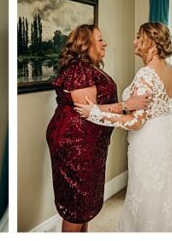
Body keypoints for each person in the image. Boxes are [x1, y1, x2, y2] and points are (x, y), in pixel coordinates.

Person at [75, 23, 172, 231]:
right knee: (170, 190)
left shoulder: (146, 74)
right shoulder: (170, 69)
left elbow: (135, 122)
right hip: (170, 131)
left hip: (151, 140)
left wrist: (95, 113)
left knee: (150, 193)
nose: (134, 41)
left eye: (139, 37)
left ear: (152, 44)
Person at [45, 25, 148, 232]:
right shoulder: (80, 71)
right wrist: (128, 106)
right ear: (86, 44)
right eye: (100, 39)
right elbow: (90, 112)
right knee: (77, 205)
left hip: (87, 143)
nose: (105, 43)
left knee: (84, 202)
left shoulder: (88, 68)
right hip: (76, 144)